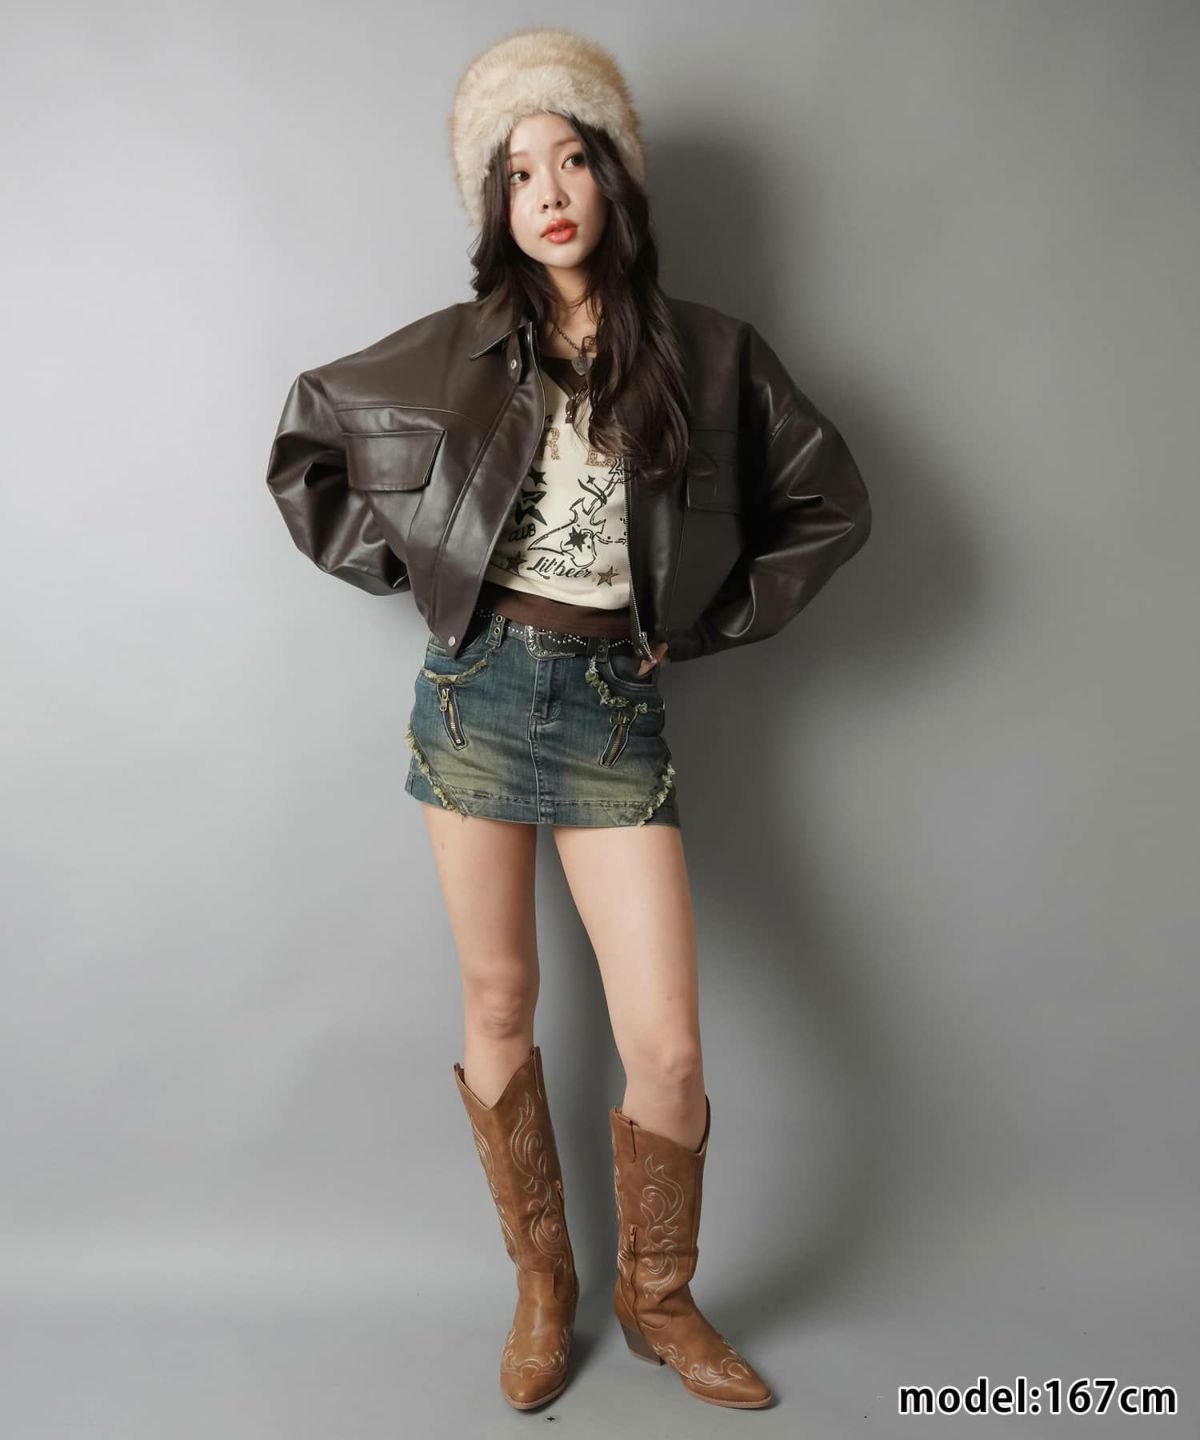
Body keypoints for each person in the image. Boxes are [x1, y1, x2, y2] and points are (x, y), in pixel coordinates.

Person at [265, 25, 871, 1414]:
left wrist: (704, 626)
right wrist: (425, 573)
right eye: (519, 170)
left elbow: (830, 501)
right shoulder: (461, 349)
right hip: (475, 696)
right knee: (499, 1000)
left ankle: (659, 1301)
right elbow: (307, 440)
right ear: (497, 202)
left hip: (612, 709)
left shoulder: (711, 355)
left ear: (613, 176)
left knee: (669, 1044)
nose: (547, 190)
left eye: (571, 158)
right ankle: (544, 1284)